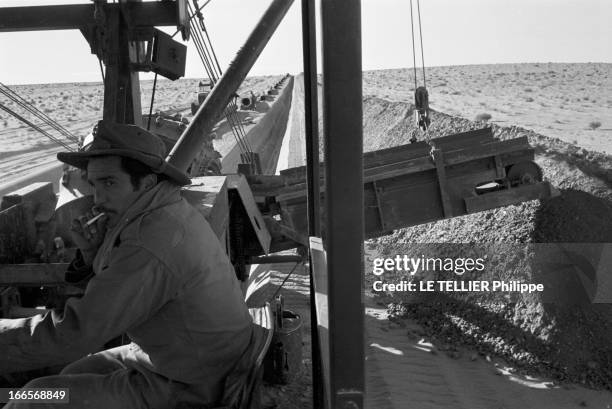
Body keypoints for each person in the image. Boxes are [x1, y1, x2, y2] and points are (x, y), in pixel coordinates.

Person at [0, 121, 254, 408]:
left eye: (109, 183)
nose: (97, 198)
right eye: (94, 184)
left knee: (32, 398)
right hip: (176, 355)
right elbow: (118, 290)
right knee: (71, 373)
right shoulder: (156, 209)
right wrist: (91, 252)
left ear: (145, 183)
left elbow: (76, 332)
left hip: (192, 383)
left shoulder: (151, 239)